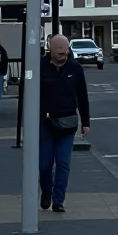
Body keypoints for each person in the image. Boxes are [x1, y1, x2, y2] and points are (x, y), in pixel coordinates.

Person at [39, 33, 90, 212]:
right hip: (45, 122)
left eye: (66, 51)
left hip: (67, 123)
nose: (63, 55)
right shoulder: (40, 67)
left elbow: (82, 96)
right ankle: (46, 191)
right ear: (51, 50)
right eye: (59, 52)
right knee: (44, 164)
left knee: (63, 163)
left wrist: (86, 122)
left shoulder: (75, 69)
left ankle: (58, 199)